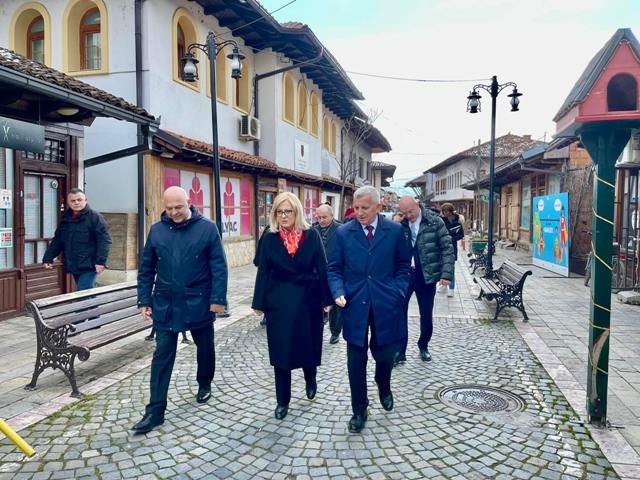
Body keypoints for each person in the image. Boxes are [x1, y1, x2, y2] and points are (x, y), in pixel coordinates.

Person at [132, 186, 228, 434]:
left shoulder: (207, 228)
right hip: (165, 304)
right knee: (162, 355)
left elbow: (219, 266)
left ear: (189, 202)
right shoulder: (156, 231)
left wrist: (218, 299)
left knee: (205, 347)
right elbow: (146, 269)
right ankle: (155, 411)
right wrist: (144, 300)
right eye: (169, 208)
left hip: (199, 301)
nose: (174, 212)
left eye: (179, 207)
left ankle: (204, 382)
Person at [327, 186, 411, 433]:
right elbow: (334, 268)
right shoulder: (343, 233)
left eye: (365, 208)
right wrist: (337, 290)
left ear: (378, 207)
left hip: (386, 303)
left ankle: (383, 383)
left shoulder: (395, 231)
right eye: (356, 208)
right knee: (356, 360)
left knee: (385, 355)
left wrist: (399, 291)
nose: (360, 213)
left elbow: (403, 267)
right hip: (354, 303)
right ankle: (359, 409)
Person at [252, 192, 333, 420]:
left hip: (308, 298)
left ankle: (310, 377)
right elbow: (263, 271)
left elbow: (322, 266)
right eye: (279, 211)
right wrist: (259, 303)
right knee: (281, 351)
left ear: (297, 212)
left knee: (308, 344)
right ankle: (282, 400)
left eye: (288, 211)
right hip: (279, 300)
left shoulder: (312, 235)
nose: (284, 215)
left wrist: (327, 300)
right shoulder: (270, 238)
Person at [396, 196, 454, 365]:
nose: (408, 216)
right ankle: (400, 351)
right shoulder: (400, 225)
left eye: (411, 212)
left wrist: (446, 274)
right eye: (404, 213)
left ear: (418, 205)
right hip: (405, 276)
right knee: (399, 313)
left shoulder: (435, 222)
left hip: (426, 275)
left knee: (426, 313)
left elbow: (447, 248)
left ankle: (423, 346)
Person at [42, 188, 111, 290]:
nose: (76, 203)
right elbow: (58, 240)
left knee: (83, 290)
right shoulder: (66, 218)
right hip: (74, 263)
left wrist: (100, 262)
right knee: (85, 292)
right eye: (73, 201)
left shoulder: (95, 218)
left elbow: (104, 241)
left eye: (79, 200)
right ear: (68, 203)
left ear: (85, 200)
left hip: (90, 264)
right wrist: (48, 258)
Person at [312, 203, 343, 344]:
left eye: (324, 217)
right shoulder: (313, 230)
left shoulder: (341, 229)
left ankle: (335, 332)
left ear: (332, 215)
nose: (321, 220)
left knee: (336, 303)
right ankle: (317, 329)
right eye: (318, 217)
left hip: (336, 272)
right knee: (317, 301)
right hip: (317, 273)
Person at [440, 203, 465, 298]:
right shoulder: (441, 221)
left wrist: (452, 238)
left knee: (450, 269)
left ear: (451, 211)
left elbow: (461, 235)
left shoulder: (457, 222)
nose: (445, 213)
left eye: (447, 211)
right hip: (441, 248)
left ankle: (451, 288)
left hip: (451, 248)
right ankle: (443, 285)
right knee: (442, 268)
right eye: (444, 211)